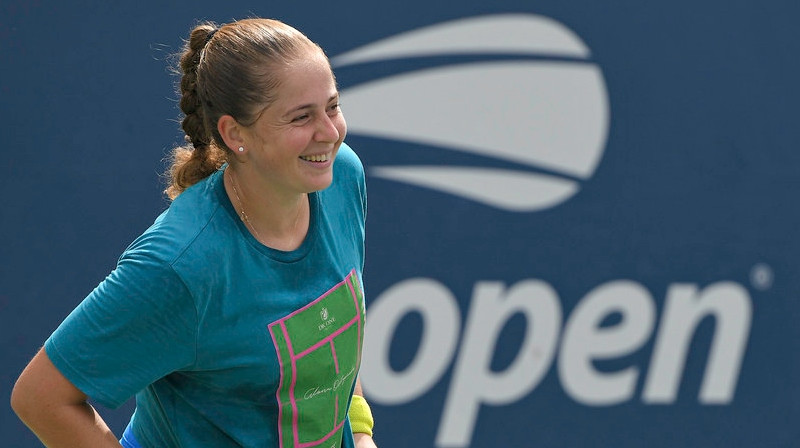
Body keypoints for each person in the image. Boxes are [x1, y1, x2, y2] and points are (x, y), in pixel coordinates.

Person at [11, 17, 378, 448]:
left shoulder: (341, 178)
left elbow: (334, 336)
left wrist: (359, 430)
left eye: (332, 106)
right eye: (301, 117)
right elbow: (41, 398)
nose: (330, 133)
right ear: (235, 134)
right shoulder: (181, 266)